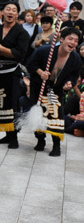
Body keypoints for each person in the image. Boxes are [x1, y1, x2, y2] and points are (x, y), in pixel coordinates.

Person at [27, 26, 82, 156]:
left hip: (57, 89)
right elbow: (30, 64)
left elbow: (74, 76)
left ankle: (56, 145)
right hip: (39, 87)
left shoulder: (76, 59)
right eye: (70, 39)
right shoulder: (44, 51)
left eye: (76, 40)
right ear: (61, 39)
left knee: (57, 115)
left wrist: (69, 84)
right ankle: (40, 140)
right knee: (39, 115)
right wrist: (41, 73)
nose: (73, 43)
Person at [0, 1, 29, 148]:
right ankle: (6, 134)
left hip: (12, 73)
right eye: (8, 9)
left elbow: (20, 54)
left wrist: (1, 49)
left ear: (17, 14)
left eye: (14, 10)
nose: (11, 12)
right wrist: (4, 51)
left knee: (12, 104)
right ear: (3, 13)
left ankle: (14, 138)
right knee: (0, 103)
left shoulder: (21, 33)